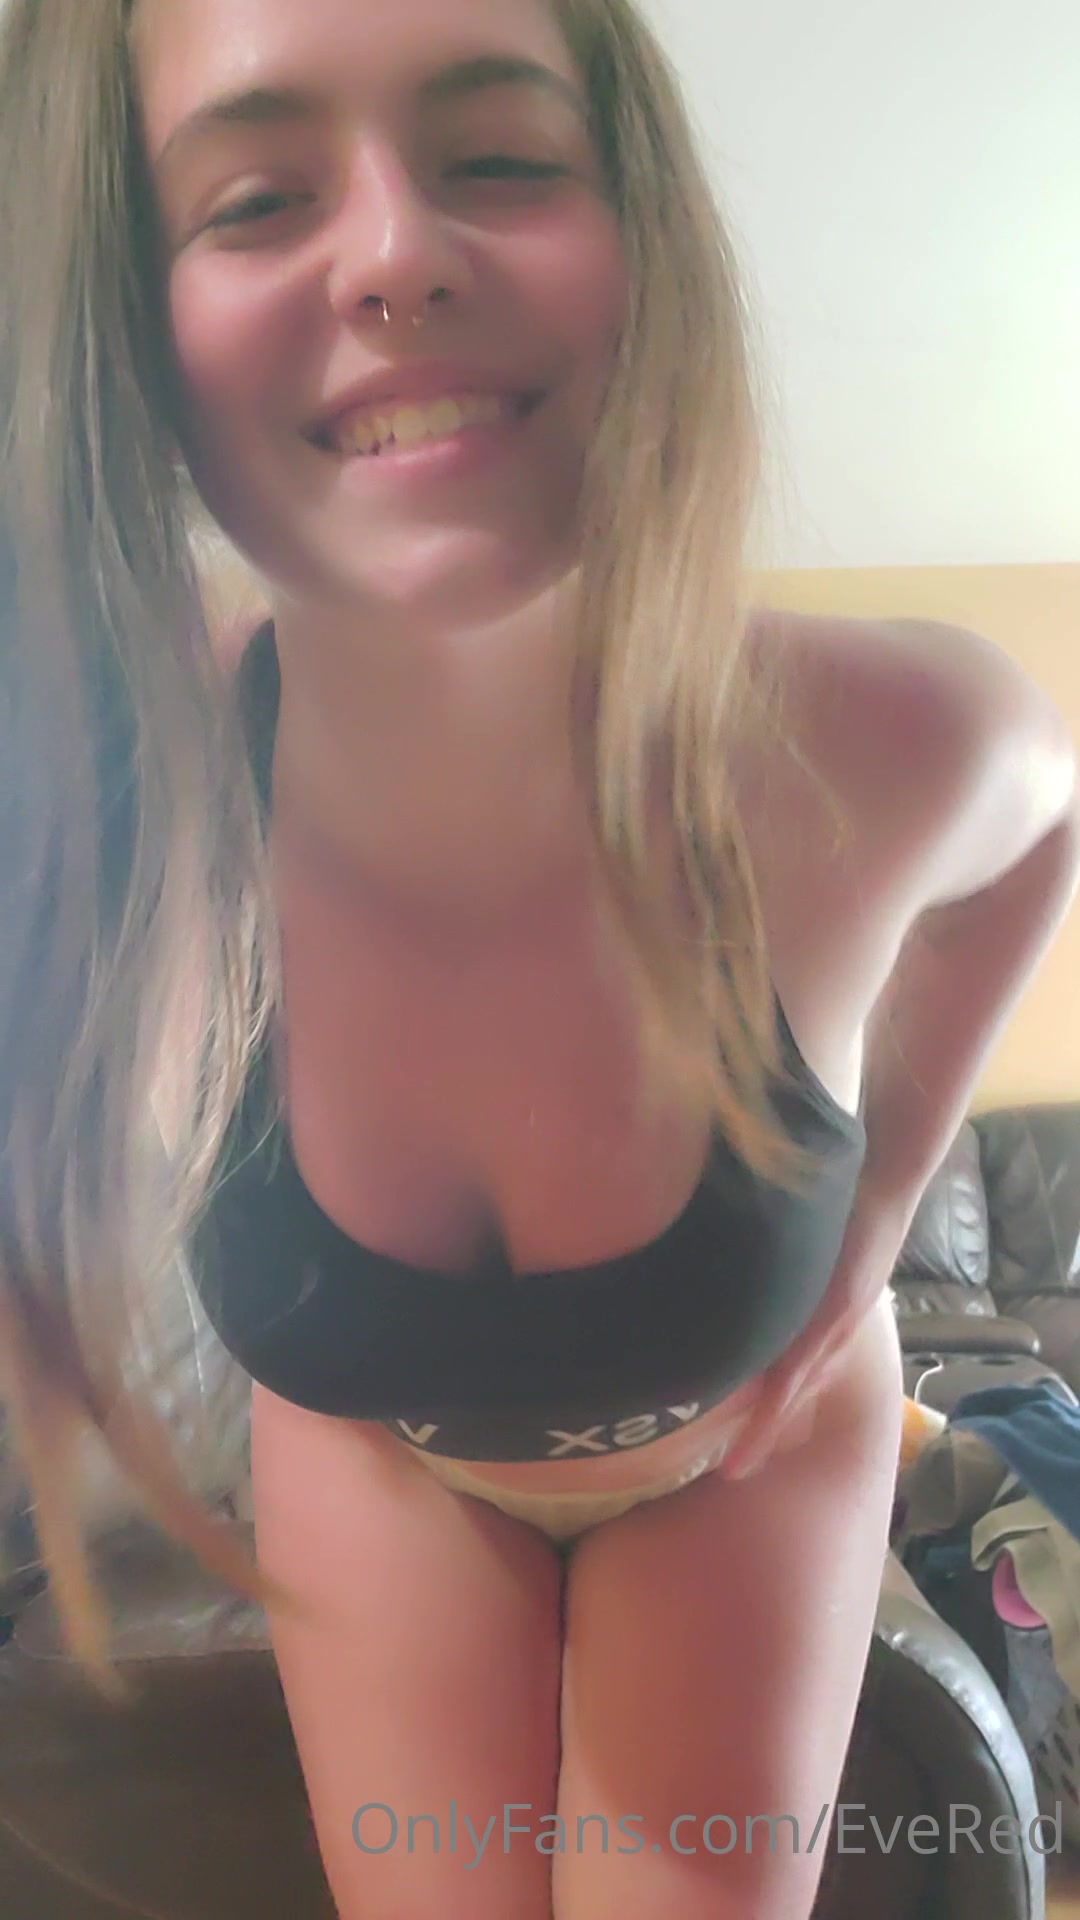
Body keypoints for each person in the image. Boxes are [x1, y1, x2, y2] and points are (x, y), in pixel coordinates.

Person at [0, 0, 1077, 1915]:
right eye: (254, 199)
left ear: (643, 238)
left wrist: (882, 1201)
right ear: (121, 325)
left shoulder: (879, 742)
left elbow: (1044, 823)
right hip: (381, 1460)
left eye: (499, 157)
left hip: (744, 1459)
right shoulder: (123, 797)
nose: (397, 252)